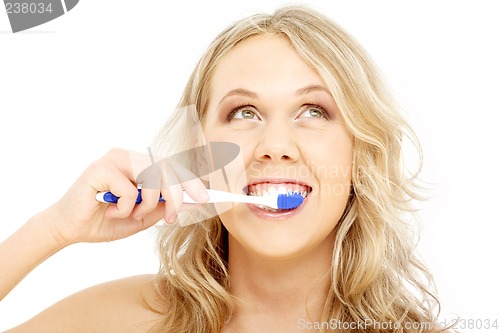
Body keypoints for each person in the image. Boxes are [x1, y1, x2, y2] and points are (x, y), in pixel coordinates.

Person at [0, 6, 455, 333]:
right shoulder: (120, 319)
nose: (275, 148)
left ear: (359, 151)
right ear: (198, 153)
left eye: (313, 111)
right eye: (244, 113)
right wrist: (52, 229)